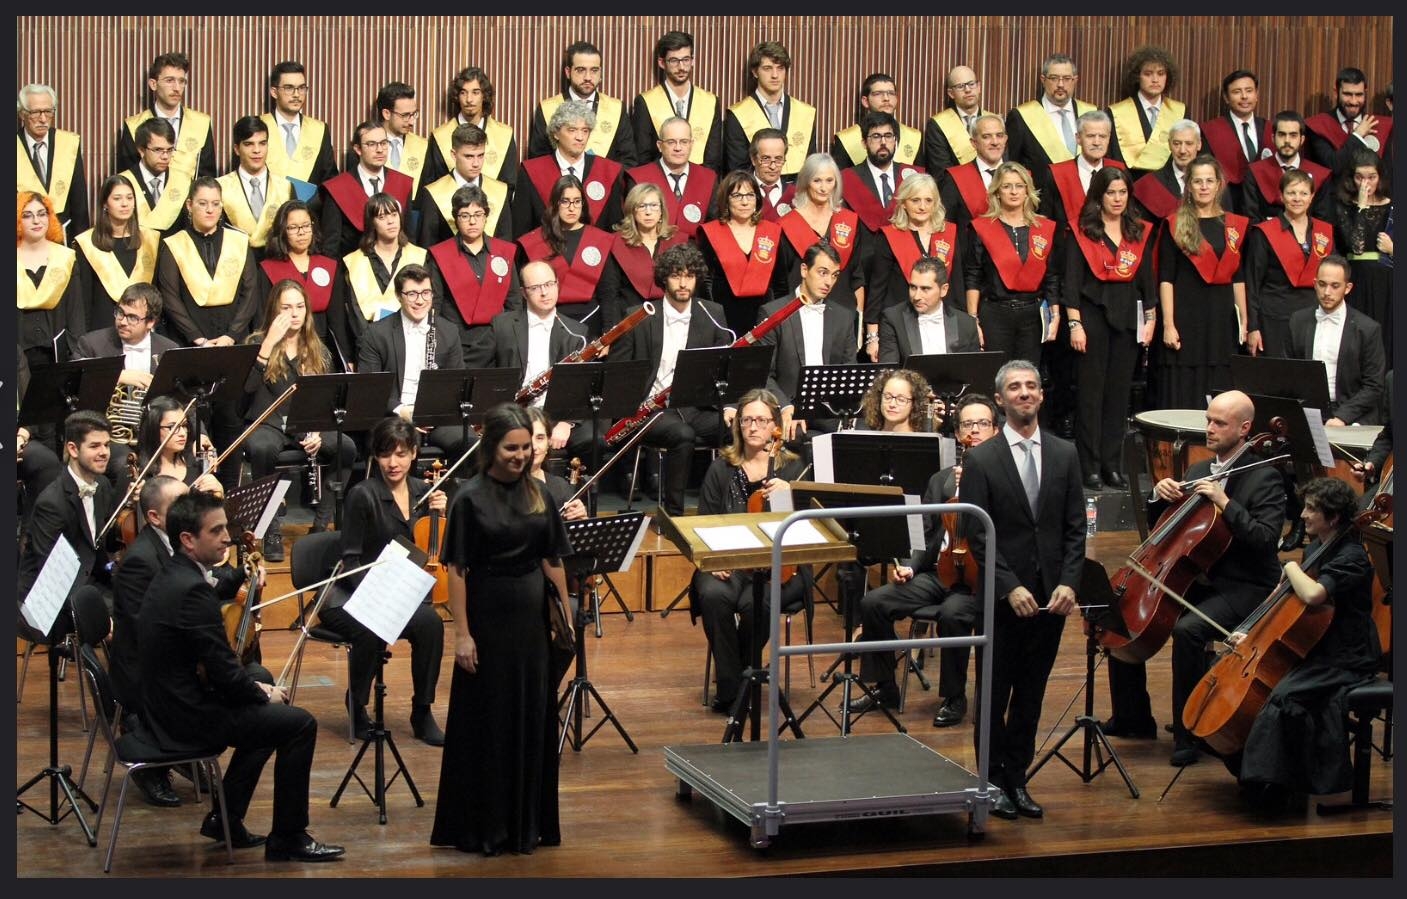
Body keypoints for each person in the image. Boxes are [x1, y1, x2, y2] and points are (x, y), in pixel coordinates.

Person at [137, 489, 345, 862]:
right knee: (298, 724)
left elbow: (217, 666)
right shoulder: (192, 591)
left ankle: (226, 818)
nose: (227, 538)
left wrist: (255, 687)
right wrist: (262, 692)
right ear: (188, 540)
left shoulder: (174, 573)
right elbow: (223, 672)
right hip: (184, 717)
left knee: (268, 714)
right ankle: (289, 836)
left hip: (167, 702)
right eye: (216, 531)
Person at [1101, 391, 1284, 768]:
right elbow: (1169, 530)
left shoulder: (1265, 476)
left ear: (1244, 429)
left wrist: (1226, 503)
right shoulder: (1200, 470)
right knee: (1122, 611)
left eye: (1219, 423)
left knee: (1189, 631)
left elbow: (1266, 541)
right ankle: (1132, 717)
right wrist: (1159, 496)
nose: (1210, 429)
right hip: (1197, 577)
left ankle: (1190, 733)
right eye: (1208, 420)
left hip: (1244, 585)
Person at [431, 402, 572, 856]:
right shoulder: (469, 498)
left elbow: (551, 557)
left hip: (531, 625)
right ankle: (486, 827)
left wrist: (566, 618)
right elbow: (457, 570)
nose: (521, 455)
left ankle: (526, 824)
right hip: (488, 620)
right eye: (512, 448)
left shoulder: (540, 493)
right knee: (489, 723)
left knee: (531, 716)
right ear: (491, 447)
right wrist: (462, 634)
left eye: (526, 447)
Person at [960, 360, 1085, 819]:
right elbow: (977, 534)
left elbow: (1075, 528)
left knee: (1031, 696)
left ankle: (1018, 778)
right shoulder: (982, 459)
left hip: (1050, 598)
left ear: (1042, 395)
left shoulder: (1065, 453)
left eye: (1032, 386)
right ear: (1000, 399)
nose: (1025, 393)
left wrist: (1069, 582)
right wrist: (1009, 586)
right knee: (994, 696)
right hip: (1002, 599)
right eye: (1015, 387)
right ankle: (991, 782)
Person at [1231, 477, 1381, 810]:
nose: (1302, 515)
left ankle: (1271, 785)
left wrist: (1290, 566)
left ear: (1334, 518)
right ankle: (1269, 777)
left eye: (1311, 509)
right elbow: (1287, 603)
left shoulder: (1353, 556)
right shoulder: (1316, 549)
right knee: (1259, 691)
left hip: (1345, 656)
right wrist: (1253, 633)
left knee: (1285, 696)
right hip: (1316, 647)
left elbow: (1313, 595)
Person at [852, 391, 996, 728]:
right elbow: (928, 534)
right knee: (874, 602)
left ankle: (954, 696)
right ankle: (885, 687)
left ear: (995, 430)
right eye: (967, 424)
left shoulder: (1004, 479)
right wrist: (910, 566)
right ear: (957, 433)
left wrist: (977, 488)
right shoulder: (941, 479)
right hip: (938, 572)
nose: (974, 430)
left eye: (982, 423)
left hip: (976, 580)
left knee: (952, 615)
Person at [319, 416, 447, 745]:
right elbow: (350, 559)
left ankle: (422, 711)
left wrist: (442, 515)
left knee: (431, 624)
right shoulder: (362, 494)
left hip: (400, 594)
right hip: (351, 594)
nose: (393, 463)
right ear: (375, 456)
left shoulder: (425, 492)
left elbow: (433, 547)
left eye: (401, 454)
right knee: (371, 626)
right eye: (386, 454)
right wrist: (378, 597)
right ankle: (358, 704)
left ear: (414, 453)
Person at [690, 388, 811, 712]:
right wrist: (713, 560)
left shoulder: (793, 469)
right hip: (729, 560)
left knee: (755, 604)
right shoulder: (721, 468)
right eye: (746, 420)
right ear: (738, 425)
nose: (753, 426)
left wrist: (789, 495)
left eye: (761, 420)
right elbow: (703, 523)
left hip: (782, 567)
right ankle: (737, 686)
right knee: (713, 594)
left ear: (775, 425)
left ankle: (735, 682)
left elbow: (808, 527)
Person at [609, 243, 733, 516]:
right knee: (682, 435)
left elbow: (726, 368)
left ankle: (728, 509)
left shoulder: (713, 313)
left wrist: (731, 407)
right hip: (650, 409)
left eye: (689, 276)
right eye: (676, 275)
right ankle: (674, 516)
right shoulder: (639, 315)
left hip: (695, 406)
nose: (683, 283)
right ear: (664, 278)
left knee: (742, 427)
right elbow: (618, 372)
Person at [243, 279, 358, 558]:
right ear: (274, 310)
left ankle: (320, 525)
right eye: (286, 307)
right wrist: (268, 343)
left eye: (299, 306)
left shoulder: (318, 349)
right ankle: (270, 529)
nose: (294, 313)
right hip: (269, 424)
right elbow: (245, 389)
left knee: (346, 447)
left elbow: (327, 398)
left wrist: (317, 429)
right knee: (261, 448)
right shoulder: (256, 343)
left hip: (307, 424)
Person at [1063, 167, 1155, 489]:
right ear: (1098, 196)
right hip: (1092, 317)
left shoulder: (1137, 231)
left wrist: (1151, 320)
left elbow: (1147, 281)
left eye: (1123, 192)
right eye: (1111, 193)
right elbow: (1071, 282)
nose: (1117, 199)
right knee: (1091, 396)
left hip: (1127, 319)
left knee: (1118, 395)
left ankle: (1111, 465)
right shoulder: (1083, 231)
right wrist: (1075, 323)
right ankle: (1089, 466)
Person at [107, 475, 192, 807]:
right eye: (180, 505)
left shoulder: (178, 543)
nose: (191, 510)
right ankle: (155, 755)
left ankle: (180, 747)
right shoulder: (140, 561)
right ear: (155, 517)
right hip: (142, 669)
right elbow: (146, 629)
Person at [1153, 155, 1249, 409]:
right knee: (1186, 389)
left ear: (1219, 184)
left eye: (1209, 181)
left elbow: (1238, 277)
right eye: (1197, 181)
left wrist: (1244, 322)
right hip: (1186, 318)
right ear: (1189, 186)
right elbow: (1166, 279)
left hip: (1222, 319)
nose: (1204, 186)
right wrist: (1168, 324)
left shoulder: (1234, 226)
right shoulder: (1175, 224)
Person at [356, 264, 468, 461]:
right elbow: (370, 388)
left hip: (436, 416)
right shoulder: (376, 334)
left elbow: (457, 382)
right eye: (412, 294)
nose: (420, 300)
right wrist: (402, 411)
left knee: (469, 443)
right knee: (403, 447)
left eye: (426, 293)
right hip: (393, 416)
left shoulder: (448, 331)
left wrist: (433, 412)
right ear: (399, 296)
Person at [488, 260, 594, 465]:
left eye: (549, 284)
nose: (544, 293)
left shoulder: (576, 332)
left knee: (593, 440)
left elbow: (581, 387)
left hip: (558, 414)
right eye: (535, 287)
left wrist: (567, 423)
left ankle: (575, 485)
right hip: (516, 411)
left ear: (557, 285)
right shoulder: (502, 325)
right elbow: (481, 372)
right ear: (523, 292)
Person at [73, 283, 179, 485]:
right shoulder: (91, 344)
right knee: (126, 465)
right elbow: (74, 383)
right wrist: (117, 376)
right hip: (110, 436)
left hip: (155, 434)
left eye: (132, 317)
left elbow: (183, 398)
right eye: (120, 313)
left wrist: (201, 435)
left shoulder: (169, 349)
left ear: (151, 322)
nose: (122, 321)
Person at [750, 242, 855, 446]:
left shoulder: (844, 317)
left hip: (829, 410)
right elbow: (764, 374)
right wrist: (784, 407)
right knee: (796, 437)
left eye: (834, 275)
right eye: (822, 273)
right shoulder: (773, 313)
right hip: (789, 406)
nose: (829, 282)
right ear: (804, 270)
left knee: (862, 433)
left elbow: (848, 369)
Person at [18, 411, 117, 618]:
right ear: (73, 449)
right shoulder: (51, 503)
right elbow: (51, 572)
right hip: (52, 598)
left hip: (91, 580)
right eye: (94, 446)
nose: (104, 452)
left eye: (107, 445)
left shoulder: (103, 485)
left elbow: (102, 547)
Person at [963, 161, 1060, 370]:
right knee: (996, 376)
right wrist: (973, 320)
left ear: (1027, 190)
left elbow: (1052, 277)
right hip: (995, 314)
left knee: (1028, 375)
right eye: (1007, 186)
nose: (1014, 192)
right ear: (997, 192)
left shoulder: (1043, 228)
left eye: (1019, 186)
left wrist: (1056, 315)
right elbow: (973, 276)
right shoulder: (982, 228)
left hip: (1033, 316)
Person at [155, 176, 260, 349]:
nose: (210, 210)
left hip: (234, 339)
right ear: (189, 205)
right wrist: (197, 338)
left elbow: (250, 292)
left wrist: (232, 335)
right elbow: (170, 297)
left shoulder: (239, 241)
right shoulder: (174, 244)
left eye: (216, 204)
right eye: (203, 203)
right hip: (189, 341)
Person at [427, 183, 523, 368]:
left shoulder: (504, 251)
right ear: (455, 218)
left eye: (478, 214)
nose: (472, 221)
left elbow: (514, 303)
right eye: (465, 215)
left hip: (497, 342)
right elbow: (435, 306)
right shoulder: (440, 254)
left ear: (486, 216)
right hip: (457, 344)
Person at [867, 173, 964, 355]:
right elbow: (877, 289)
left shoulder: (949, 233)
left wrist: (968, 324)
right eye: (915, 200)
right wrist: (873, 336)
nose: (922, 207)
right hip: (901, 325)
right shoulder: (889, 236)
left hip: (943, 324)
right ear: (904, 203)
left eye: (928, 200)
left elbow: (957, 285)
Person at [1245, 169, 1337, 358]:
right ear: (1281, 196)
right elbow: (1252, 283)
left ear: (1312, 197)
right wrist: (1253, 327)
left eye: (1303, 193)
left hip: (1314, 317)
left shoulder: (1324, 231)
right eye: (1291, 193)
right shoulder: (1264, 233)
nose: (1297, 199)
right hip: (1274, 320)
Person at [1286, 255, 1385, 426]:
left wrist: (1342, 417)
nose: (1327, 292)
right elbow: (1288, 372)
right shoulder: (1297, 321)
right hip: (1309, 412)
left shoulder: (1368, 328)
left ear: (1347, 288)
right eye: (1322, 284)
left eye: (1335, 286)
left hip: (1353, 415)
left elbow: (1374, 385)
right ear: (1315, 283)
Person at [515, 175, 615, 336]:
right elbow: (525, 294)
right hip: (548, 322)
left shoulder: (598, 239)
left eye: (577, 201)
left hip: (593, 322)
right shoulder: (536, 240)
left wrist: (608, 332)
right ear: (555, 203)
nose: (571, 208)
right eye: (565, 201)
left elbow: (608, 292)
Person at [332, 191, 429, 355]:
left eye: (394, 214)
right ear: (372, 223)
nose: (391, 221)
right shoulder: (355, 261)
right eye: (382, 217)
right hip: (369, 348)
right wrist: (373, 346)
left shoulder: (419, 256)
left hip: (414, 343)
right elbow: (355, 315)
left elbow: (427, 302)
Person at [696, 170, 788, 337]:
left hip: (764, 319)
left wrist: (775, 321)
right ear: (726, 200)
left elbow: (780, 284)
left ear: (757, 199)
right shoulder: (711, 232)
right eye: (737, 196)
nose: (745, 202)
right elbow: (704, 282)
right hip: (723, 321)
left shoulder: (771, 232)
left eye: (750, 195)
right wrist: (715, 321)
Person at [514, 101, 625, 238]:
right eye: (572, 130)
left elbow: (614, 230)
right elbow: (521, 230)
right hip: (545, 250)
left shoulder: (608, 171)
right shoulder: (531, 171)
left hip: (596, 250)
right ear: (556, 133)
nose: (580, 137)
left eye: (585, 131)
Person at [259, 199, 348, 366]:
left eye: (306, 225)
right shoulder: (268, 269)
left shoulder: (328, 266)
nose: (301, 232)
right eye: (293, 227)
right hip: (283, 350)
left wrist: (346, 358)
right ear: (282, 231)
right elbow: (263, 318)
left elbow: (337, 320)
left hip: (322, 348)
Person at [73, 175, 162, 337]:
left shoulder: (150, 239)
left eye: (129, 198)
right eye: (117, 198)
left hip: (142, 331)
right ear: (105, 204)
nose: (125, 203)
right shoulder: (87, 243)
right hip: (102, 331)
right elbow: (84, 300)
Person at [778, 153, 865, 318]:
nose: (824, 188)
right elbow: (781, 282)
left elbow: (857, 277)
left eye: (829, 180)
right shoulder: (786, 225)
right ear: (805, 182)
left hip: (842, 313)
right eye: (817, 181)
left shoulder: (849, 221)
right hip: (799, 313)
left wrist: (858, 318)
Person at [527, 40, 637, 166]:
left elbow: (628, 160)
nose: (588, 77)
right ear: (568, 72)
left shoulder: (616, 108)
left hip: (607, 178)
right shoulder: (549, 108)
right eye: (581, 70)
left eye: (594, 70)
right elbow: (538, 161)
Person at [596, 182, 688, 331]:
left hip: (672, 321)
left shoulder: (678, 241)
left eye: (654, 205)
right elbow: (609, 294)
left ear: (661, 211)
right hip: (630, 323)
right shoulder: (616, 244)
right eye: (642, 206)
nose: (648, 212)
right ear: (632, 211)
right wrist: (610, 331)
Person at [316, 121, 413, 260]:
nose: (380, 150)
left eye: (384, 143)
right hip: (351, 267)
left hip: (395, 266)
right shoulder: (337, 188)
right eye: (371, 144)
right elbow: (331, 246)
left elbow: (409, 237)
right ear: (358, 149)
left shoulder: (402, 183)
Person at [114, 52, 216, 180]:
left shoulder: (200, 123)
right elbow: (127, 177)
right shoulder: (134, 125)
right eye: (169, 80)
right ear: (153, 84)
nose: (177, 88)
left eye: (181, 81)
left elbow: (208, 177)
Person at [631, 31, 724, 172]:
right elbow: (643, 157)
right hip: (658, 180)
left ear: (692, 60)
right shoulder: (646, 102)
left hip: (700, 179)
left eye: (686, 59)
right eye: (674, 61)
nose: (681, 67)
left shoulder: (710, 101)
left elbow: (714, 157)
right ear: (662, 63)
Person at [1332, 150, 1393, 361]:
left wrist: (1393, 249)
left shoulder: (1392, 206)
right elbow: (1355, 246)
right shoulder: (1344, 205)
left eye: (1371, 177)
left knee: (1386, 335)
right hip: (1357, 278)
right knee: (1357, 338)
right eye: (1360, 177)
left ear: (1380, 177)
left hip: (1386, 279)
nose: (1366, 184)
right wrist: (1362, 206)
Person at [724, 41, 818, 175]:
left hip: (798, 186)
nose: (775, 75)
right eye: (767, 68)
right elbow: (738, 169)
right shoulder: (738, 114)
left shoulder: (805, 113)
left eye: (780, 68)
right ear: (755, 72)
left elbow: (812, 165)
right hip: (755, 186)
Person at [416, 122, 513, 247]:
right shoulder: (433, 193)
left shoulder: (499, 191)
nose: (476, 163)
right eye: (469, 156)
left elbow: (505, 244)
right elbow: (427, 245)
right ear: (454, 155)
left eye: (480, 155)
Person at [624, 116, 718, 242]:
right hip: (651, 249)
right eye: (671, 142)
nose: (678, 148)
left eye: (684, 142)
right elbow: (630, 226)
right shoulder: (638, 178)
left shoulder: (708, 178)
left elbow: (713, 227)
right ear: (659, 145)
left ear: (691, 144)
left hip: (696, 250)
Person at [17, 191, 81, 373]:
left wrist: (76, 355)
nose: (36, 221)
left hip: (56, 355)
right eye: (27, 215)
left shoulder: (65, 258)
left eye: (42, 214)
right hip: (17, 356)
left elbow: (75, 313)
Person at [1004, 54, 1097, 178]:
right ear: (1043, 80)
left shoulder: (1091, 113)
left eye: (1067, 78)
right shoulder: (1021, 117)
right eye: (1054, 78)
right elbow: (1011, 164)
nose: (1060, 84)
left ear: (1075, 80)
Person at [17, 82, 88, 241]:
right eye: (35, 112)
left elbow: (79, 202)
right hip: (23, 241)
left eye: (48, 112)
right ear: (22, 114)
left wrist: (80, 244)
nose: (43, 119)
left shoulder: (68, 143)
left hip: (64, 237)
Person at [425, 66, 518, 187]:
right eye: (463, 93)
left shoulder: (503, 135)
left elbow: (509, 185)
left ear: (484, 95)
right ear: (457, 96)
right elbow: (433, 185)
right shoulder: (440, 136)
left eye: (475, 92)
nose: (469, 99)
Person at [877, 257, 979, 365]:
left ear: (943, 290)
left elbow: (973, 369)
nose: (916, 296)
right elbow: (888, 370)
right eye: (913, 287)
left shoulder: (966, 323)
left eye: (925, 289)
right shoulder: (893, 318)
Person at [1035, 110, 1126, 231]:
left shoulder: (1120, 170)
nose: (1097, 142)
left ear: (1109, 138)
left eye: (1102, 136)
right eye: (1090, 136)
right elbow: (1046, 221)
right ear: (1078, 138)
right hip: (1067, 241)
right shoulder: (1056, 173)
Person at [1200, 70, 1274, 216]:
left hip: (1264, 208)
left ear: (1256, 95)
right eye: (1237, 92)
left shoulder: (1271, 129)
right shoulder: (1211, 130)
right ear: (1226, 98)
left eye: (1249, 91)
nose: (1244, 96)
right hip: (1227, 206)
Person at [841, 111, 923, 237]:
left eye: (888, 136)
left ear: (895, 141)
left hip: (906, 247)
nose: (883, 142)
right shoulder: (848, 179)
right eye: (876, 136)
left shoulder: (914, 177)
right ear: (864, 143)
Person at [1241, 111, 1333, 223]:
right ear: (1273, 138)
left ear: (1302, 139)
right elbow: (1251, 217)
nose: (1287, 141)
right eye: (1282, 135)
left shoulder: (1320, 175)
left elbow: (1321, 220)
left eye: (1293, 135)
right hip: (1264, 232)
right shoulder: (1255, 172)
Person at [217, 116, 292, 253]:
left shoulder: (285, 187)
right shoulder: (220, 187)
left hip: (276, 261)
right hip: (235, 260)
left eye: (262, 143)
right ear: (236, 149)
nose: (257, 150)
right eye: (249, 144)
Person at [1105, 45, 1186, 173]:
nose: (1155, 80)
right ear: (1137, 77)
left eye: (1161, 74)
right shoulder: (1116, 113)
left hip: (1169, 182)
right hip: (1130, 181)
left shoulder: (1180, 112)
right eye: (1148, 74)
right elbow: (1113, 156)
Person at [262, 60, 338, 188]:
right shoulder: (258, 127)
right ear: (274, 92)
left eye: (302, 88)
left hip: (310, 201)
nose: (296, 94)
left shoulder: (319, 130)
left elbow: (330, 180)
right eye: (289, 88)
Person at [1304, 67, 1393, 172]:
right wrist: (1358, 135)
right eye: (1347, 94)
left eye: (1359, 95)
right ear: (1336, 93)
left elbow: (1386, 172)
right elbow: (1333, 166)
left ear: (1365, 93)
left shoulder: (1380, 126)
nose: (1353, 101)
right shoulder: (1318, 126)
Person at [831, 73, 924, 171]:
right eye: (878, 93)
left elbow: (921, 177)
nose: (886, 98)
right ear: (865, 101)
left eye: (891, 93)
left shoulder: (913, 136)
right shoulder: (846, 139)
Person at [134, 395, 222, 496]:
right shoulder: (140, 473)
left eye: (184, 425)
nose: (182, 433)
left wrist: (220, 491)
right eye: (173, 427)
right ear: (153, 429)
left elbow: (215, 502)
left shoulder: (198, 456)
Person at [117, 118, 190, 237]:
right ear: (141, 150)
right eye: (158, 150)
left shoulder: (184, 181)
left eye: (170, 150)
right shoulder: (122, 183)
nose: (165, 156)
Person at [940, 113, 1009, 231]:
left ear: (1005, 140)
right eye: (986, 137)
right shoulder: (955, 177)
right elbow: (947, 226)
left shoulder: (1022, 176)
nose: (995, 142)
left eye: (999, 135)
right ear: (974, 143)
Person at [925, 66, 995, 174]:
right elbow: (940, 171)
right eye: (960, 86)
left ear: (979, 87)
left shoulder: (995, 121)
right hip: (955, 183)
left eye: (971, 84)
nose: (968, 90)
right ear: (951, 93)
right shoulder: (938, 125)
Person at [1131, 118, 1202, 222]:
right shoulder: (1150, 185)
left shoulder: (1212, 183)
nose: (1182, 150)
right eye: (1177, 143)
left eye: (1189, 143)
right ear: (1169, 144)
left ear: (1199, 145)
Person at [526, 406, 587, 521]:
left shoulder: (560, 487)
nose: (534, 446)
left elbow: (572, 531)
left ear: (548, 442)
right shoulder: (497, 488)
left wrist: (581, 519)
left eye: (540, 438)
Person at [372, 81, 429, 195]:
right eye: (405, 115)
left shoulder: (423, 146)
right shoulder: (366, 146)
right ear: (387, 114)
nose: (412, 122)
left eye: (414, 114)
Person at [747, 127, 796, 223]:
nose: (773, 167)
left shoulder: (796, 195)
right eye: (766, 159)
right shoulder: (738, 194)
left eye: (778, 159)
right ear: (753, 159)